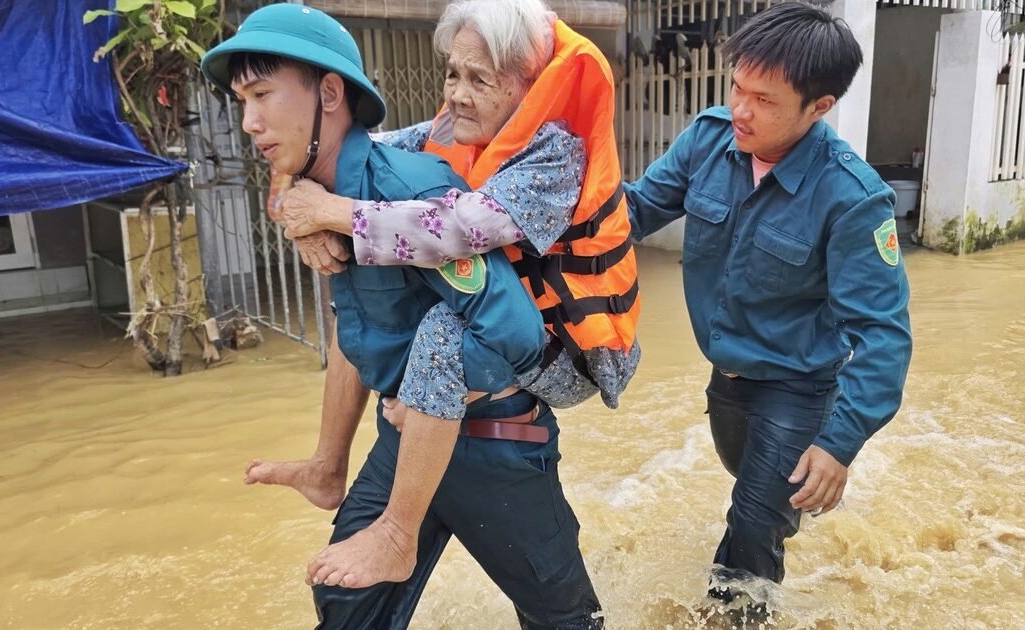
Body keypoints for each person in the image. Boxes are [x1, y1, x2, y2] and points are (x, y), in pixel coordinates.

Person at [200, 5, 605, 628]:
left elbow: (460, 232)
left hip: (510, 411)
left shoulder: (549, 156)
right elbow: (348, 149)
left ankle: (397, 531)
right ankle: (340, 476)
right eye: (453, 75)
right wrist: (292, 198)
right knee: (344, 603)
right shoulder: (430, 141)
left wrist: (334, 215)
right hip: (407, 431)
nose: (460, 96)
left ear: (528, 86)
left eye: (482, 78)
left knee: (562, 619)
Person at [623, 0, 913, 602]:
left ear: (820, 107)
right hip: (726, 379)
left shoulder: (852, 199)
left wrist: (838, 443)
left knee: (751, 529)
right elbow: (633, 213)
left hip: (798, 386)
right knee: (753, 495)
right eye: (737, 88)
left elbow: (884, 336)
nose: (741, 110)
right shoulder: (709, 139)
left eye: (765, 100)